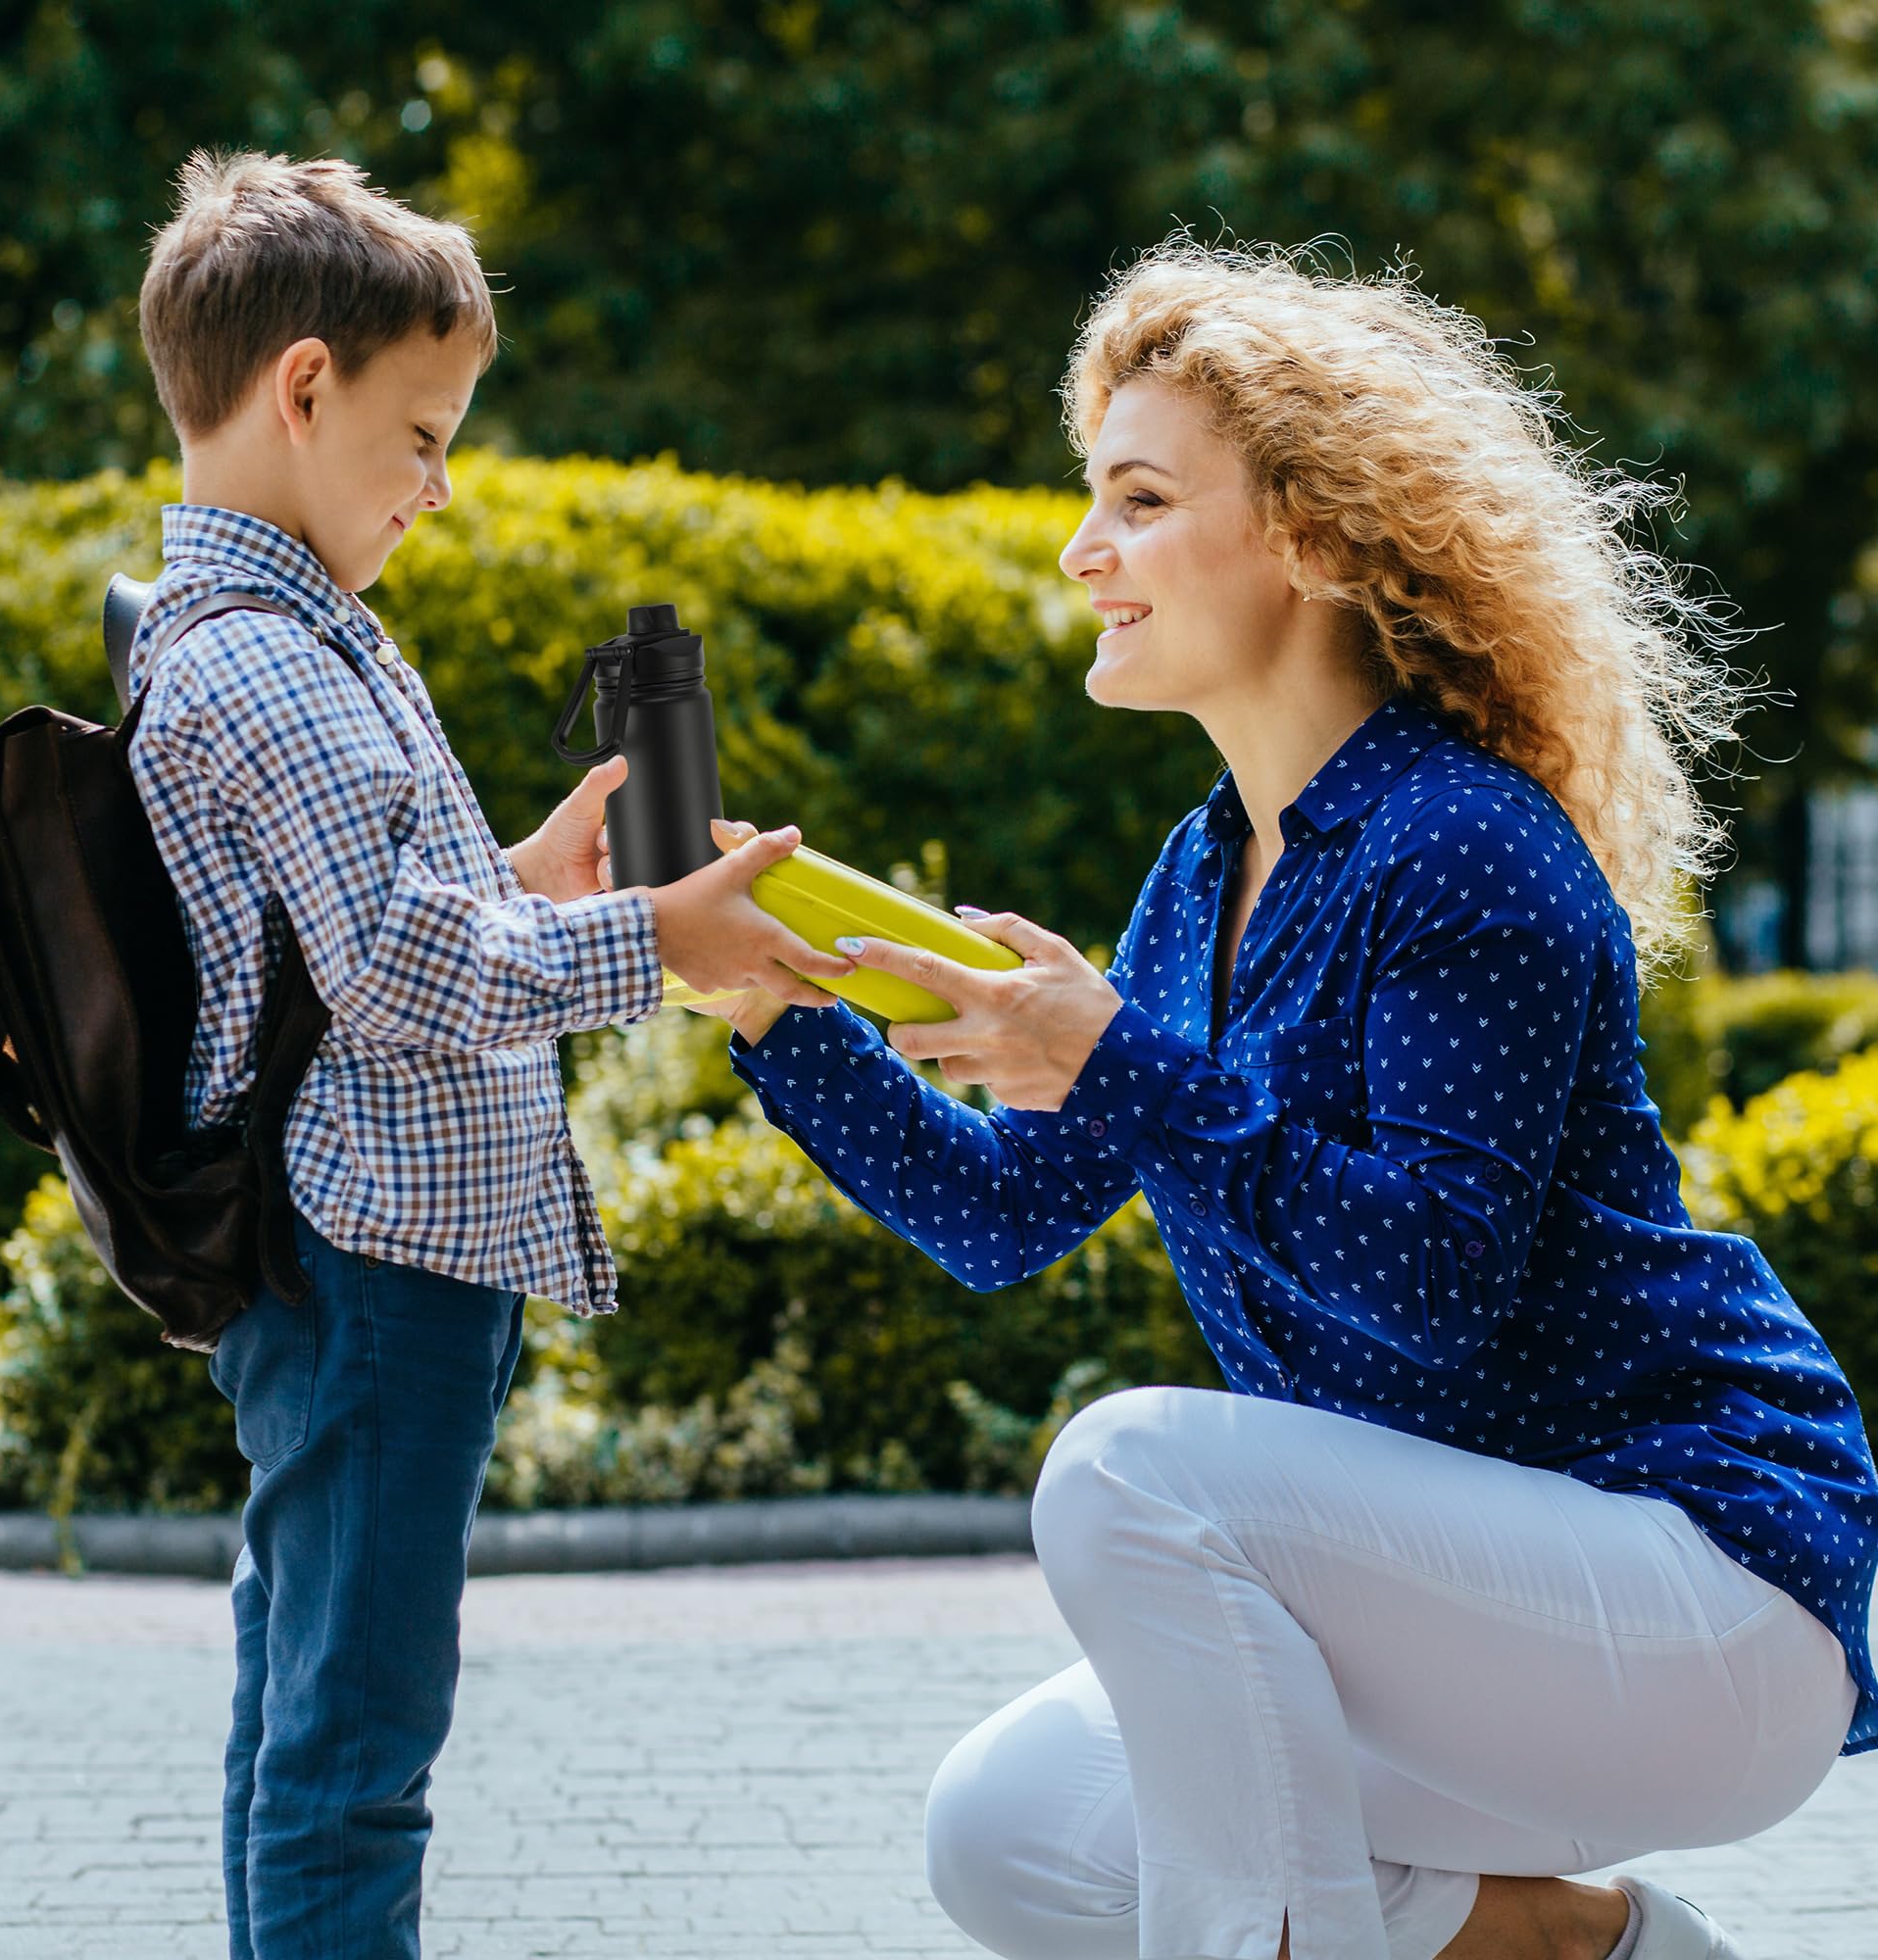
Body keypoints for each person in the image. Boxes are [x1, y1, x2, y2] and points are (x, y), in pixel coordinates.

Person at [683, 242, 1878, 1960]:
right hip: (1477, 1611)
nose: (1084, 551)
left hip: (1704, 1584)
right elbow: (1003, 1215)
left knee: (1129, 1474)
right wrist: (778, 1014)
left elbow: (1438, 1289)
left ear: (1312, 537)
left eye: (1141, 499)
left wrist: (1121, 1063)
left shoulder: (1464, 847)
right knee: (1013, 1831)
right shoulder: (1198, 879)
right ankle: (1591, 1945)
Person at [126, 150, 856, 1960]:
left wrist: (525, 878)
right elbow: (386, 971)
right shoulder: (269, 665)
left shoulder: (271, 635)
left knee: (302, 1718)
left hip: (362, 1251)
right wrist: (653, 938)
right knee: (356, 1752)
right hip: (385, 1264)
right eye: (427, 435)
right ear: (306, 389)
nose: (442, 489)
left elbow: (369, 920)